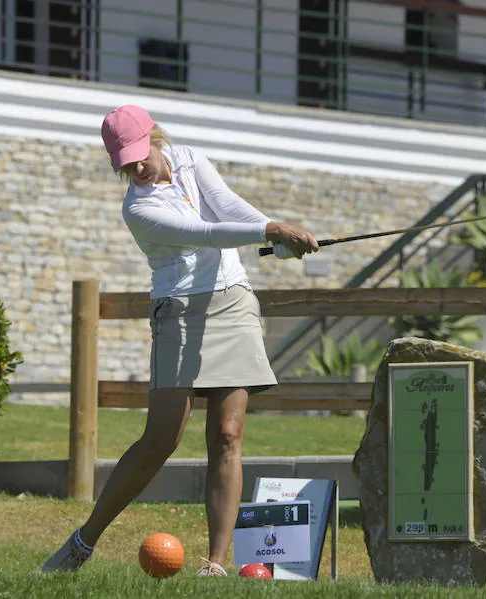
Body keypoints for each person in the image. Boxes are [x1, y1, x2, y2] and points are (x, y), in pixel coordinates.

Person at [41, 104, 318, 576]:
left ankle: (216, 563)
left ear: (154, 135)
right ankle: (83, 542)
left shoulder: (188, 157)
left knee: (227, 435)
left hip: (233, 303)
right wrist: (270, 230)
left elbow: (227, 206)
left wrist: (273, 232)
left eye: (138, 154)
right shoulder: (138, 208)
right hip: (179, 312)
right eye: (125, 162)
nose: (137, 167)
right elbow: (204, 233)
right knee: (160, 439)